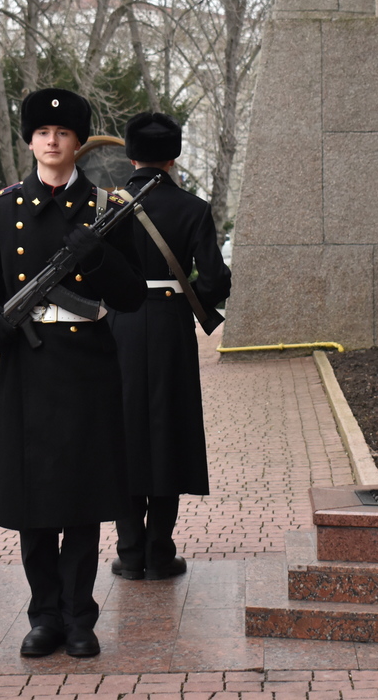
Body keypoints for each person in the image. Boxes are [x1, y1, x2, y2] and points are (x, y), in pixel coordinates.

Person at [0, 87, 145, 658]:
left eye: (63, 134)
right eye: (42, 132)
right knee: (33, 499)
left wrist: (97, 254)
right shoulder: (1, 208)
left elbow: (133, 294)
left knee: (82, 498)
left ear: (77, 143)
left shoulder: (107, 208)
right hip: (27, 364)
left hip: (87, 364)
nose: (52, 141)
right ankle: (44, 615)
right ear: (31, 140)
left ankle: (80, 616)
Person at [107, 113, 232, 581]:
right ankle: (161, 549)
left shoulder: (108, 205)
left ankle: (129, 550)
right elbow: (216, 276)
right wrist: (193, 300)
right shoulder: (193, 208)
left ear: (130, 154)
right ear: (174, 156)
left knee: (123, 431)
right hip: (170, 325)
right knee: (167, 431)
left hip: (121, 325)